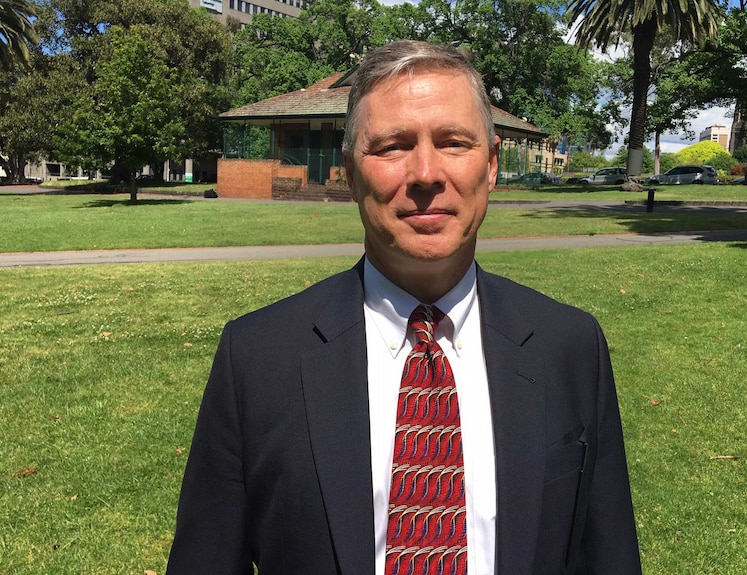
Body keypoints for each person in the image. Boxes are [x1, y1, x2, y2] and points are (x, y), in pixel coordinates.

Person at [167, 40, 641, 575]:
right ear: (350, 173)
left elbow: (607, 554)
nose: (425, 173)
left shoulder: (570, 347)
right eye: (392, 146)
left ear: (490, 166)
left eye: (453, 142)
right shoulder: (256, 358)